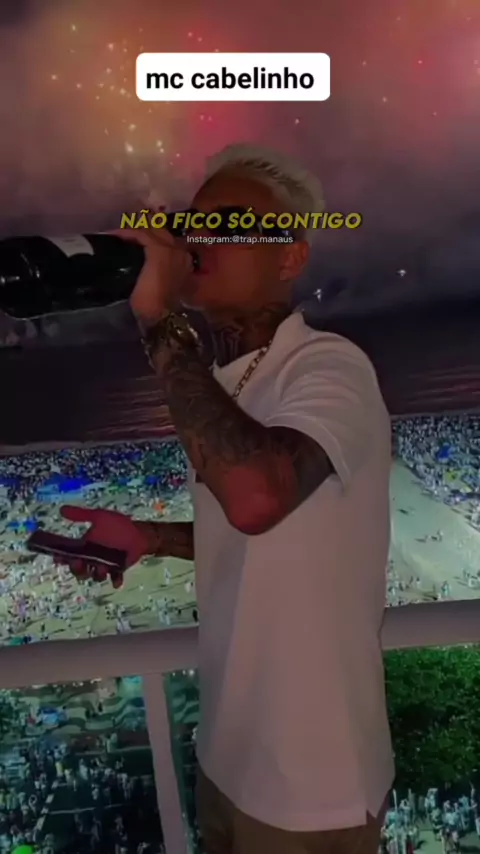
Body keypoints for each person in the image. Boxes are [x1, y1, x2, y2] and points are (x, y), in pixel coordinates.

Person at [56, 143, 393, 853]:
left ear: (290, 258)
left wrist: (159, 322)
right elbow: (263, 533)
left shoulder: (329, 366)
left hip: (310, 784)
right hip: (227, 755)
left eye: (231, 223)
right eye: (193, 223)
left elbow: (256, 499)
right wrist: (152, 538)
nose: (199, 237)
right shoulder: (225, 384)